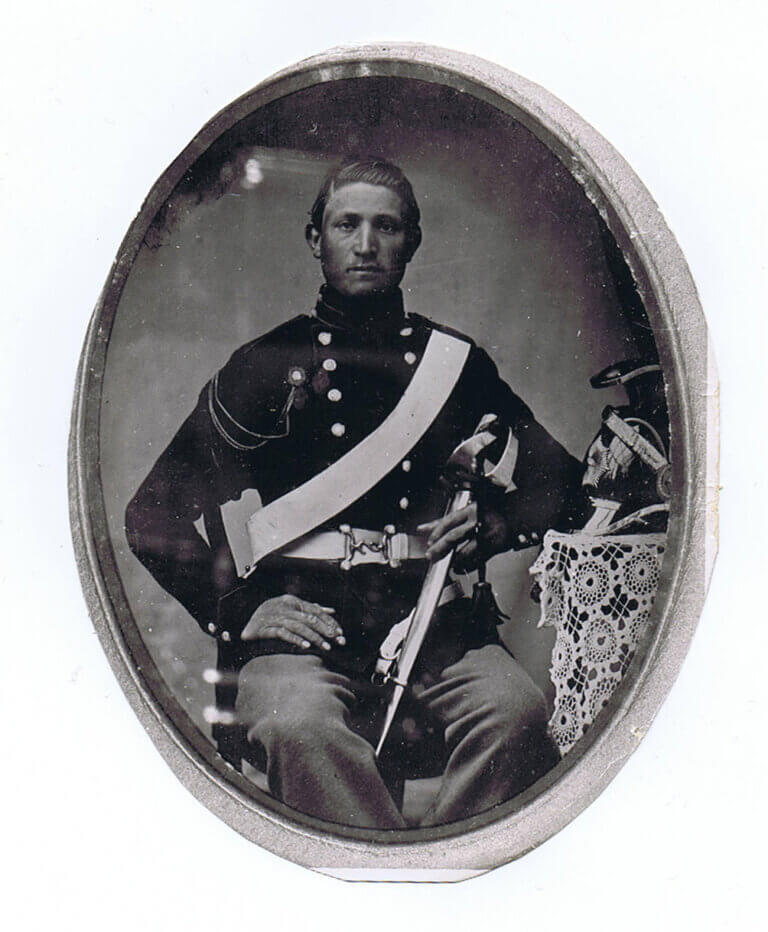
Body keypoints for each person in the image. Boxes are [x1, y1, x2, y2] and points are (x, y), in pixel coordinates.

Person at [125, 156, 582, 829]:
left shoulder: (452, 364)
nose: (366, 244)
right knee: (301, 727)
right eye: (347, 225)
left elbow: (561, 484)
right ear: (317, 239)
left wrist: (492, 523)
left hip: (431, 629)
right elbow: (150, 515)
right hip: (301, 635)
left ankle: (427, 881)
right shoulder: (262, 367)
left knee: (516, 713)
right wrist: (237, 608)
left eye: (385, 227)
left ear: (411, 243)